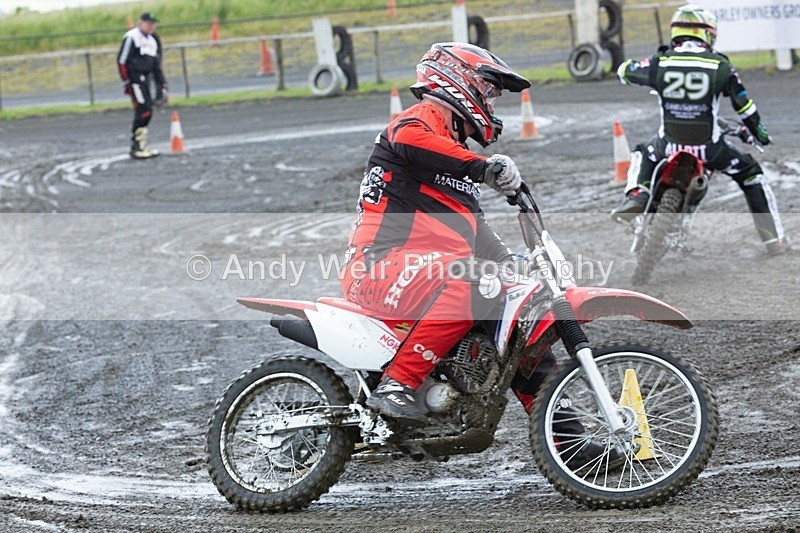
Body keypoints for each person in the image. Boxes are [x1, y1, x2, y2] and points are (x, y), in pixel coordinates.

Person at [611, 3, 789, 256]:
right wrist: (760, 134)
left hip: (668, 144)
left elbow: (624, 72)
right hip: (711, 150)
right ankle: (773, 241)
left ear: (676, 33)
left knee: (642, 152)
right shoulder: (721, 66)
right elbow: (745, 107)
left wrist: (636, 66)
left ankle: (637, 195)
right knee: (751, 174)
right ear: (708, 34)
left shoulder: (660, 61)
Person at [117, 12, 169, 160]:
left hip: (145, 80)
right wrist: (127, 81)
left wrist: (163, 85)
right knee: (143, 110)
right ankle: (136, 146)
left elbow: (156, 67)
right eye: (148, 23)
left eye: (153, 23)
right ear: (141, 23)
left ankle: (141, 144)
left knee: (147, 110)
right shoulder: (131, 37)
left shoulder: (152, 41)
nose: (151, 26)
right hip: (134, 79)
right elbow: (122, 60)